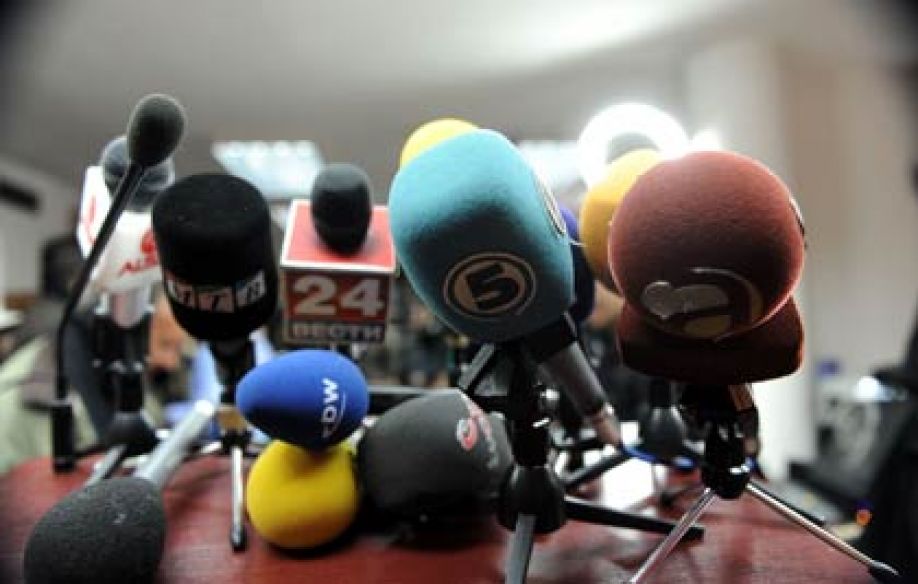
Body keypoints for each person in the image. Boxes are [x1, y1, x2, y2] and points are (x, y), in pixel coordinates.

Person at [0, 236, 191, 474]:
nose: (172, 363)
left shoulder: (125, 370)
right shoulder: (28, 397)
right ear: (127, 328)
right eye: (165, 345)